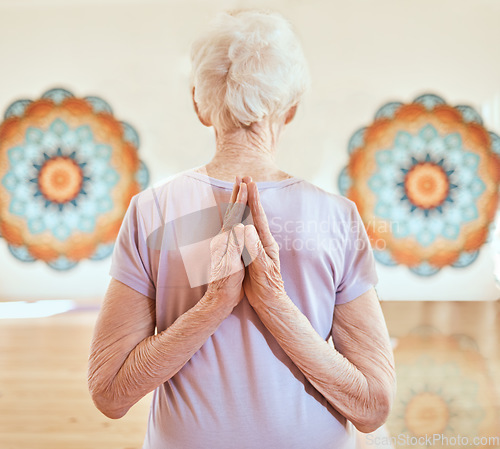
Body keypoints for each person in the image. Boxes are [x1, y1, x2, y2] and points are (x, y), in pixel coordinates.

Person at [88, 9, 396, 449]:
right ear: (289, 110)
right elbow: (373, 406)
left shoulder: (152, 212)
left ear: (199, 104)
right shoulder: (337, 217)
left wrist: (268, 302)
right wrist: (215, 302)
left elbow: (109, 392)